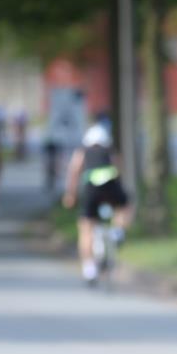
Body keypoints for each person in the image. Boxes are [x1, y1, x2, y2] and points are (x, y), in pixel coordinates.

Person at [62, 119, 132, 284]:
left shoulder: (82, 151)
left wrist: (70, 194)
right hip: (111, 184)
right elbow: (119, 169)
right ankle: (118, 231)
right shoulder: (110, 151)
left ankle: (89, 268)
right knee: (124, 205)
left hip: (91, 188)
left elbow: (74, 172)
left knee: (86, 227)